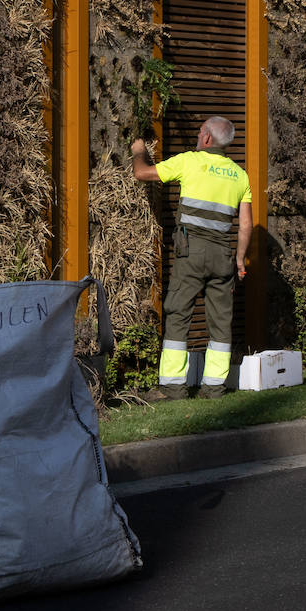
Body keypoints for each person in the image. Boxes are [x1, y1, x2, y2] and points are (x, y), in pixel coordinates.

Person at [131, 116, 252, 400]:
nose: (198, 137)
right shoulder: (240, 175)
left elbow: (142, 174)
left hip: (191, 252)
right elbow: (245, 226)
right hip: (223, 254)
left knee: (178, 312)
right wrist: (240, 260)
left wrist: (139, 150)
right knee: (221, 322)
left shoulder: (189, 161)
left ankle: (173, 387)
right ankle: (213, 389)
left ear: (208, 138)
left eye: (200, 133)